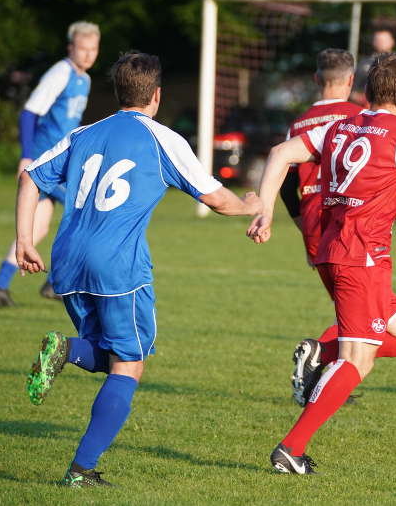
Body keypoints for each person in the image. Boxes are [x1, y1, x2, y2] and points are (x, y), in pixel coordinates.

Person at [16, 52, 262, 487]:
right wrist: (250, 205)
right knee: (129, 362)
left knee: (109, 352)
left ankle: (68, 351)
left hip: (67, 261)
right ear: (157, 95)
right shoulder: (162, 139)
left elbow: (29, 178)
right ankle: (81, 470)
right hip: (118, 266)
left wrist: (23, 240)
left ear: (117, 92)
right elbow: (216, 199)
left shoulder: (84, 133)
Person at [248, 52, 396, 474]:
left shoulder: (339, 126)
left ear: (367, 91)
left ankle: (322, 352)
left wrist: (265, 209)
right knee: (359, 361)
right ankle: (290, 449)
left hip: (337, 250)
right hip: (363, 259)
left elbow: (281, 153)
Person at [279, 48, 396, 407]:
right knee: (361, 335)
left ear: (315, 78)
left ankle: (324, 367)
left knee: (369, 326)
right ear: (352, 81)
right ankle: (326, 367)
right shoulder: (358, 118)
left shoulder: (299, 123)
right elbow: (370, 172)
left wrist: (299, 223)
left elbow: (285, 179)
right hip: (353, 230)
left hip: (317, 228)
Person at [0, 21, 100, 307]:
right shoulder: (60, 72)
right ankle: (56, 281)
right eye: (82, 49)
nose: (88, 55)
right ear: (70, 48)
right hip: (44, 162)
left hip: (60, 162)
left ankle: (0, 286)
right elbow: (29, 113)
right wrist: (27, 156)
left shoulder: (83, 79)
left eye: (93, 49)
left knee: (37, 229)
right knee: (83, 211)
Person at [351, 28, 396, 120]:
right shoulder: (364, 63)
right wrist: (365, 100)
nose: (381, 42)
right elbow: (352, 91)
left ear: (392, 41)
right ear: (373, 42)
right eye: (378, 40)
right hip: (369, 114)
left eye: (384, 40)